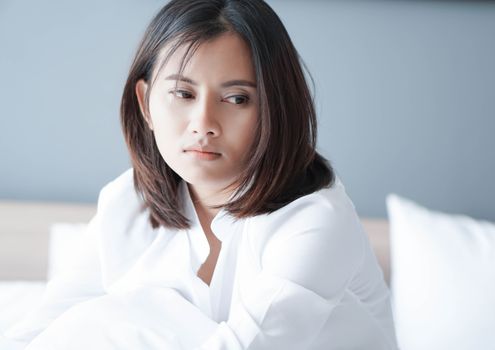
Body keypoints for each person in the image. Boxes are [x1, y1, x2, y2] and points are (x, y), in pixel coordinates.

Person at [3, 0, 398, 348]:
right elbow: (44, 327)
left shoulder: (315, 220)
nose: (203, 123)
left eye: (236, 98)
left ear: (275, 110)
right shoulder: (126, 203)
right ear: (145, 103)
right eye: (183, 94)